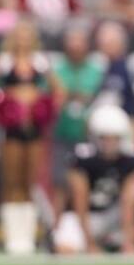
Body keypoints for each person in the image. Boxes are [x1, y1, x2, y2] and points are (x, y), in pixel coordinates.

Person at [0, 19, 64, 254]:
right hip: (11, 128)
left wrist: (46, 111)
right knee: (11, 181)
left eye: (27, 34)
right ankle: (13, 236)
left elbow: (59, 90)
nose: (23, 39)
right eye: (19, 34)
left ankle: (27, 235)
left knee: (29, 181)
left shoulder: (40, 63)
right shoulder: (3, 62)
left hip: (33, 128)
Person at [53, 104, 134, 254]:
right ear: (96, 136)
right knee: (64, 249)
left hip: (110, 213)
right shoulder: (83, 158)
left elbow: (128, 200)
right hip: (84, 215)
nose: (110, 143)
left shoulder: (129, 157)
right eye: (105, 137)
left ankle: (114, 238)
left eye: (114, 138)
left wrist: (128, 242)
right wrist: (89, 243)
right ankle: (95, 240)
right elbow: (80, 200)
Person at [51, 25, 104, 219]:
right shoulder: (56, 68)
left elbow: (94, 97)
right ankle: (57, 229)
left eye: (79, 41)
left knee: (88, 183)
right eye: (71, 40)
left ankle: (86, 226)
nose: (75, 45)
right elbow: (56, 97)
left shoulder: (97, 68)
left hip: (88, 133)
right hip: (62, 131)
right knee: (60, 181)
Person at [94, 21, 134, 136]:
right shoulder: (94, 65)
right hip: (97, 123)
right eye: (104, 43)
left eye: (111, 42)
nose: (106, 46)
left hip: (122, 123)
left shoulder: (129, 66)